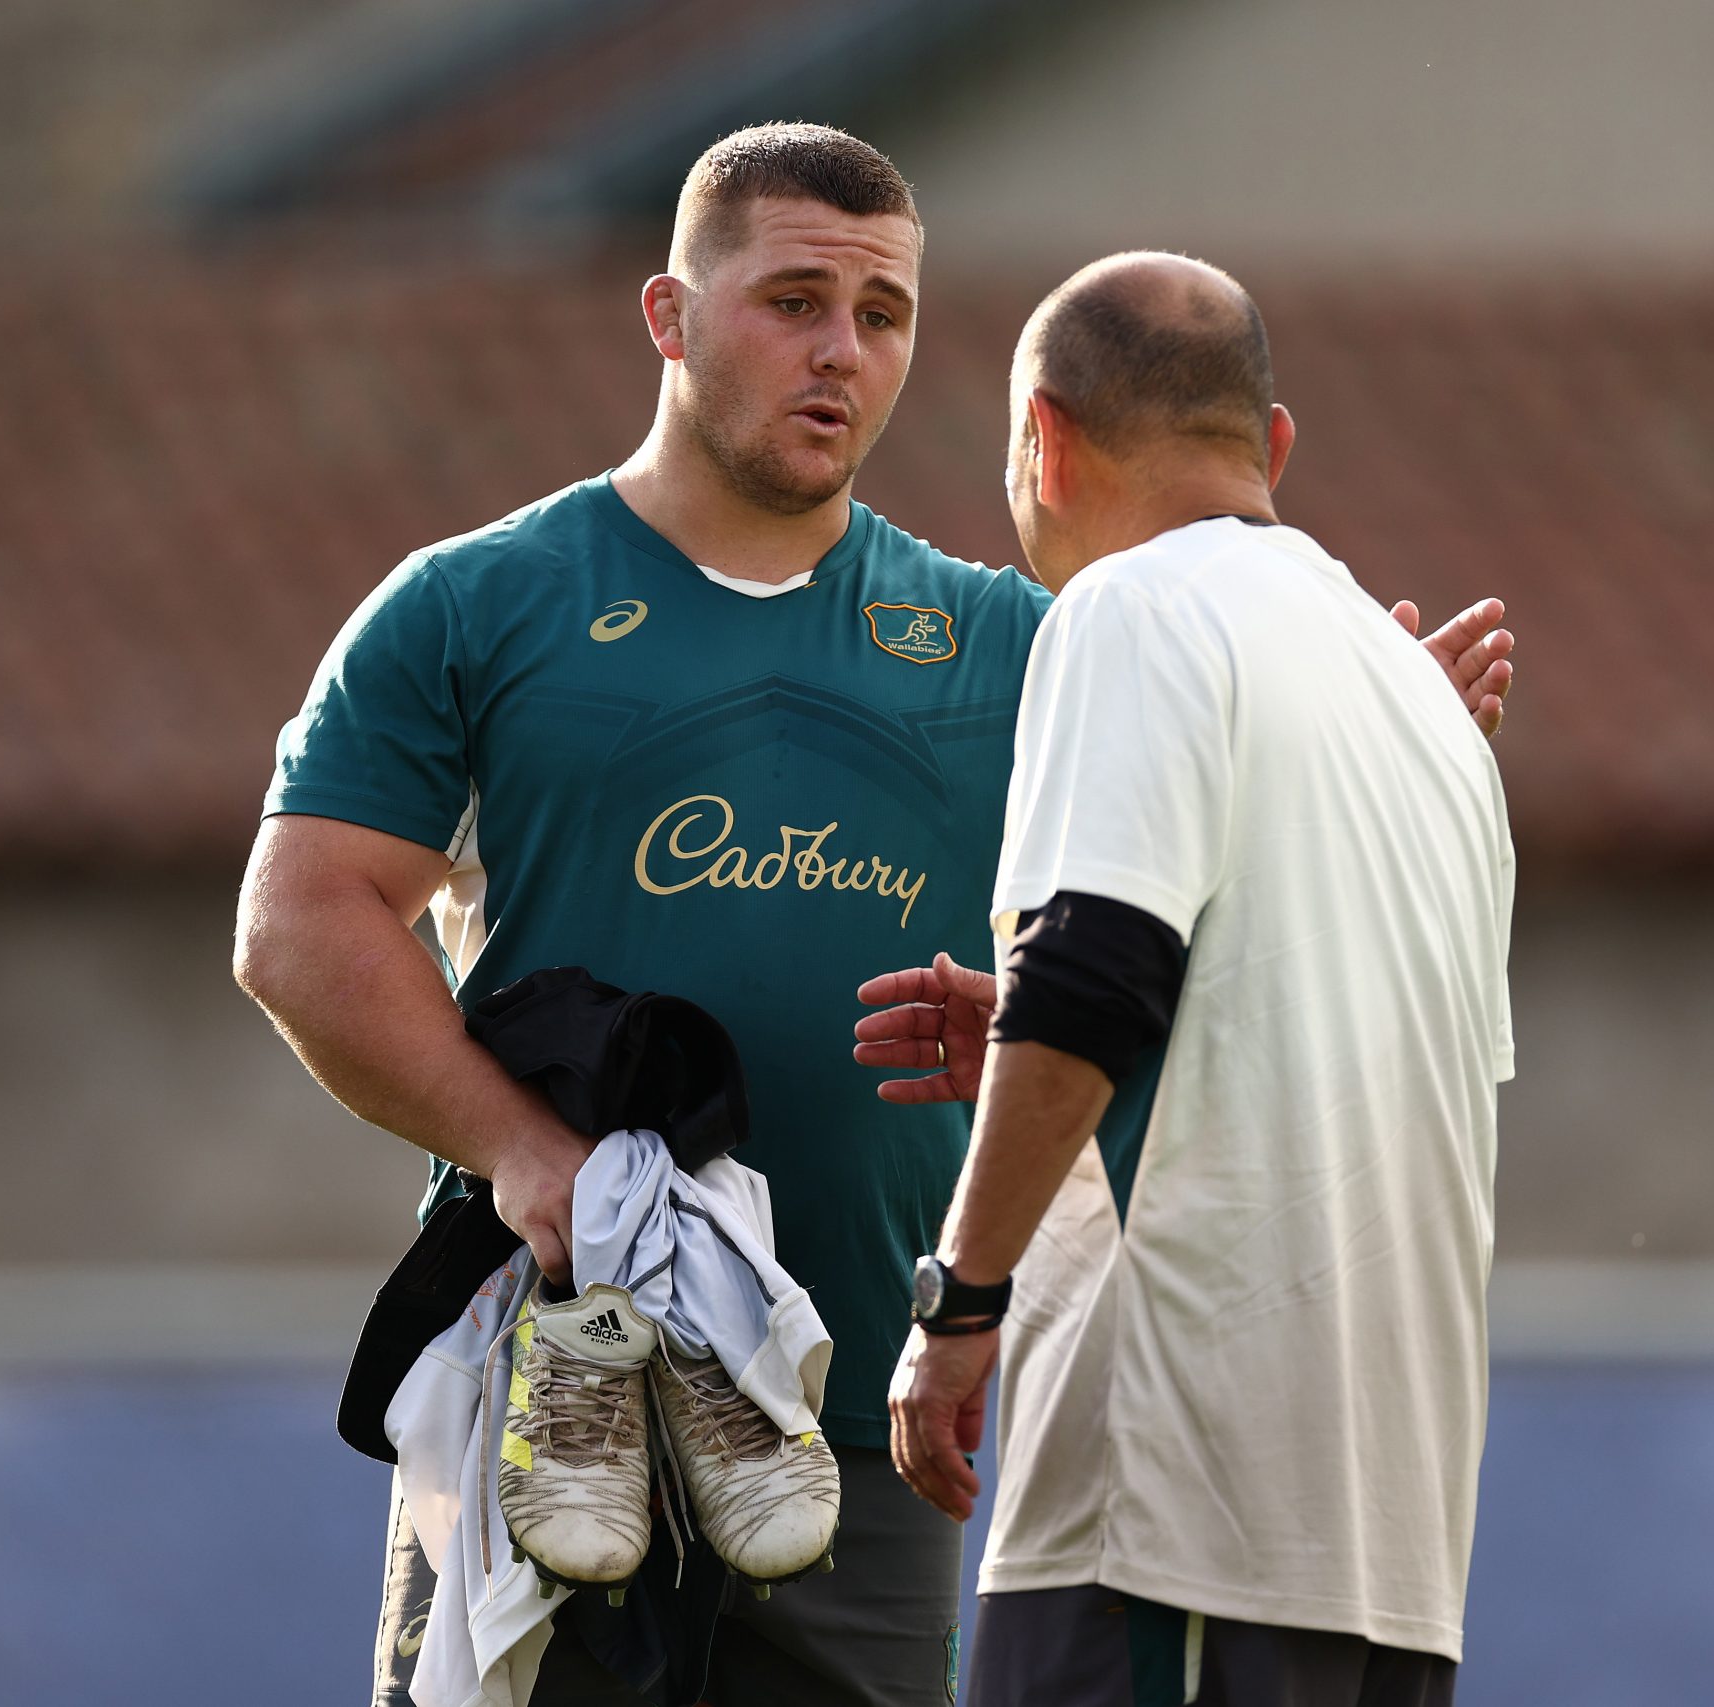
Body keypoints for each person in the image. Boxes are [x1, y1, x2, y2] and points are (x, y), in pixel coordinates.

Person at [234, 122, 1513, 1707]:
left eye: (884, 314)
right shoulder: (477, 602)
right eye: (792, 300)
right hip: (560, 1415)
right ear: (669, 312)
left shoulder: (1012, 635)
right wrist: (521, 1151)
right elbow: (300, 922)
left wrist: (1363, 726)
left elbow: (1193, 854)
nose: (842, 351)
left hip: (866, 1443)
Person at [880, 254, 1517, 1707]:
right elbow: (1363, 1065)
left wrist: (959, 1304)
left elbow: (1091, 979)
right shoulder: (1423, 711)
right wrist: (1065, 1045)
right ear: (1273, 444)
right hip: (1389, 1550)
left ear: (1042, 435)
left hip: (1169, 1515)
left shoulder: (1126, 609)